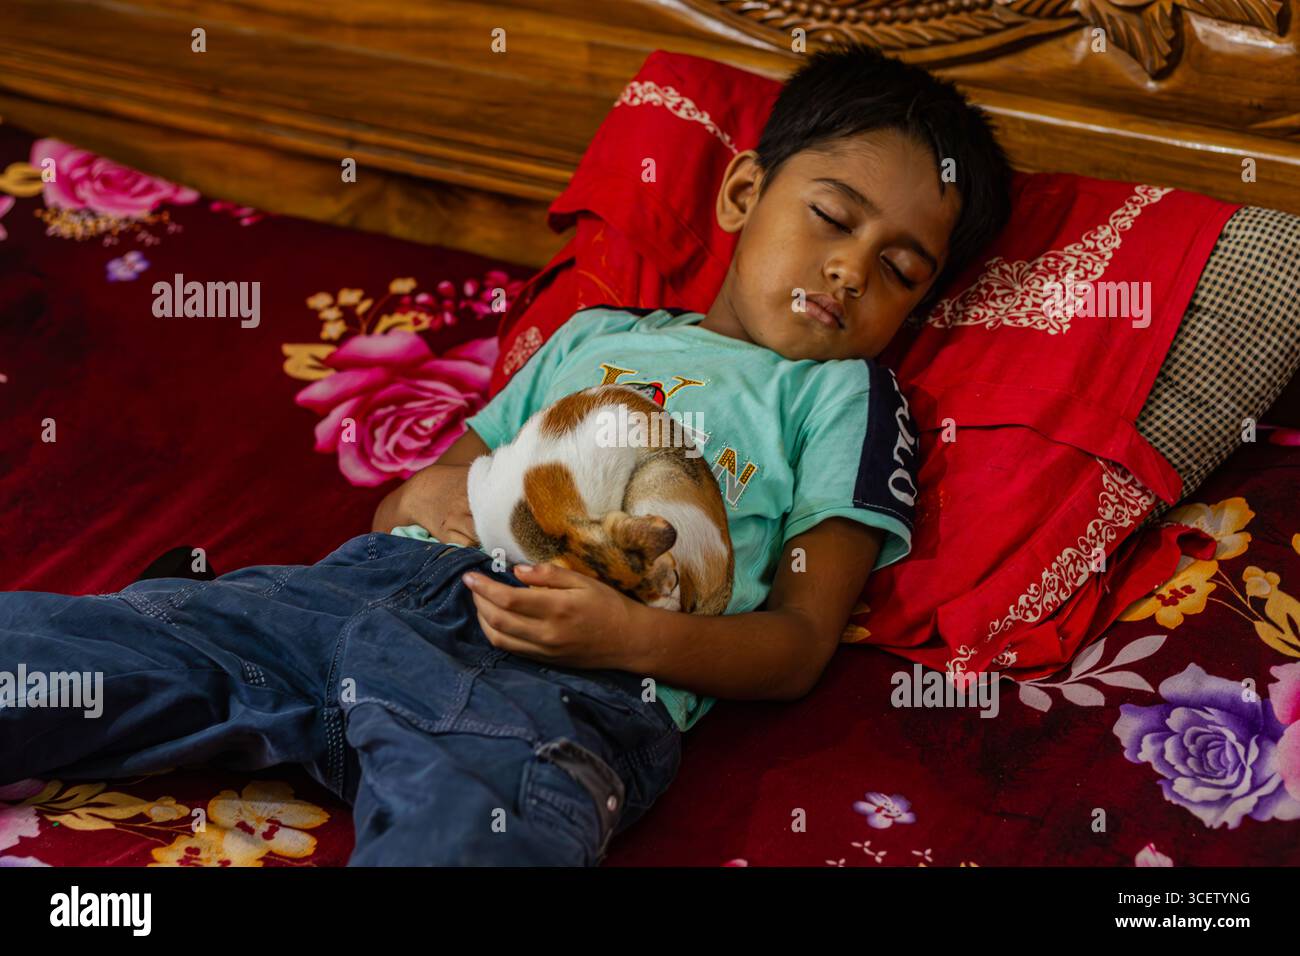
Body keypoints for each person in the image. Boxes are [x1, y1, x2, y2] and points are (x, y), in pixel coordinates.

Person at [0, 43, 1011, 865]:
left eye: (898, 268)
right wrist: (416, 499)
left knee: (478, 824)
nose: (848, 267)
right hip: (357, 599)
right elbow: (420, 496)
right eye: (832, 217)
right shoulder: (591, 336)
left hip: (551, 681)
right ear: (743, 191)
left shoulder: (842, 392)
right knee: (101, 648)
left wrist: (628, 637)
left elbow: (796, 643)